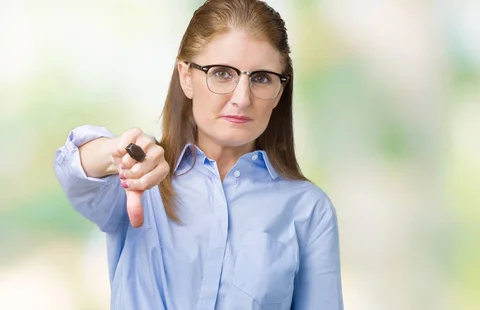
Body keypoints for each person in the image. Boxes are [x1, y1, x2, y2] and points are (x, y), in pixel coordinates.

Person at [53, 0, 344, 309]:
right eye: (221, 73)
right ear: (186, 77)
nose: (242, 99)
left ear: (280, 91)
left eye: (261, 78)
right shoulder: (139, 182)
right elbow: (73, 170)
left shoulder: (309, 210)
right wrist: (117, 157)